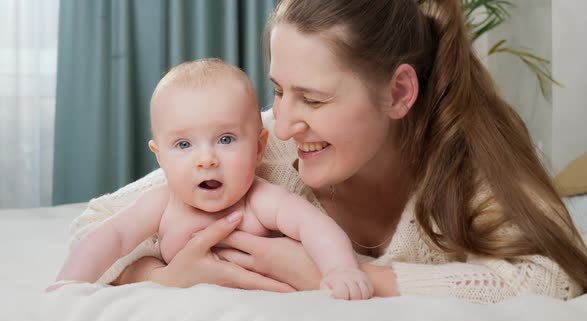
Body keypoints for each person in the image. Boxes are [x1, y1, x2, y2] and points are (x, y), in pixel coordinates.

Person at [68, 0, 587, 303]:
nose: (287, 122)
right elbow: (98, 222)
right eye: (277, 90)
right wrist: (164, 277)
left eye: (313, 98)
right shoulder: (267, 151)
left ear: (399, 93)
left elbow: (556, 276)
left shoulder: (466, 165)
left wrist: (337, 276)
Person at [50, 59, 373, 300]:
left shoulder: (260, 200)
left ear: (260, 147)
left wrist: (340, 269)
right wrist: (69, 284)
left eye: (226, 139)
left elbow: (313, 225)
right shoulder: (162, 203)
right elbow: (112, 237)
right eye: (184, 145)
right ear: (159, 155)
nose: (206, 159)